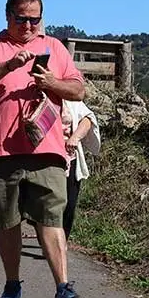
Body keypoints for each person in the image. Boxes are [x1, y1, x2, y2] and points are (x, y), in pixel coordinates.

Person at [0, 0, 88, 298]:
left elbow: (78, 89)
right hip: (1, 150)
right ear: (8, 16)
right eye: (22, 19)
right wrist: (6, 66)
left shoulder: (54, 48)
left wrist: (51, 83)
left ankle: (63, 288)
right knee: (8, 222)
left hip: (46, 149)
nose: (29, 26)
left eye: (35, 19)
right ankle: (12, 282)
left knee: (51, 217)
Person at [61, 100, 100, 240]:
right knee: (46, 204)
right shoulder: (35, 95)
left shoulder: (69, 98)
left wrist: (75, 137)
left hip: (68, 158)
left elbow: (88, 118)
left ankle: (61, 241)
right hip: (42, 159)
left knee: (69, 204)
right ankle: (49, 239)